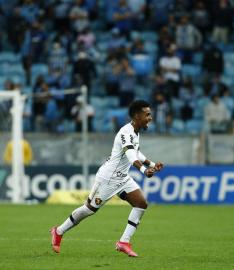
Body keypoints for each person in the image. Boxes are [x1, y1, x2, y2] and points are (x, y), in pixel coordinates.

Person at [50, 100, 164, 257]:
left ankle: (123, 242)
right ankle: (58, 231)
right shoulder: (126, 132)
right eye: (147, 114)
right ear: (137, 116)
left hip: (123, 178)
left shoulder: (136, 132)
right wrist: (144, 170)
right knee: (89, 210)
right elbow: (131, 156)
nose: (150, 118)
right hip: (107, 179)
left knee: (141, 204)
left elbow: (137, 153)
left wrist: (152, 164)